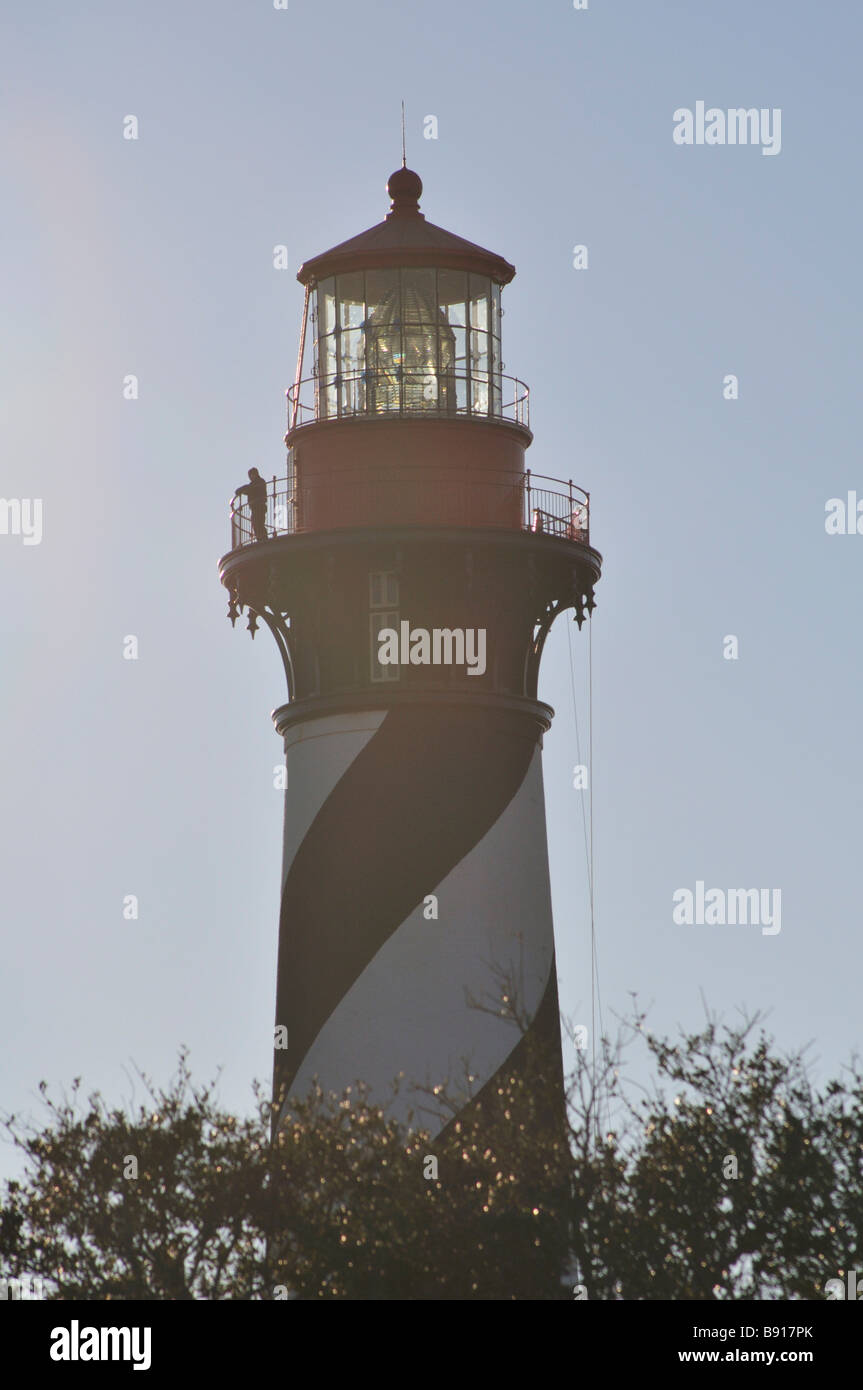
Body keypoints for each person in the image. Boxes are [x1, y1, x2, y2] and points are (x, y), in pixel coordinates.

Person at [234, 468, 268, 543]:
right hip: (257, 507)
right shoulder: (258, 483)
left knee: (258, 524)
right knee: (257, 524)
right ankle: (262, 539)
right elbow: (249, 489)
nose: (250, 477)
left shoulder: (258, 482)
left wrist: (240, 491)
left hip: (259, 507)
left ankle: (263, 539)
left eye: (250, 475)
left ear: (254, 474)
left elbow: (250, 489)